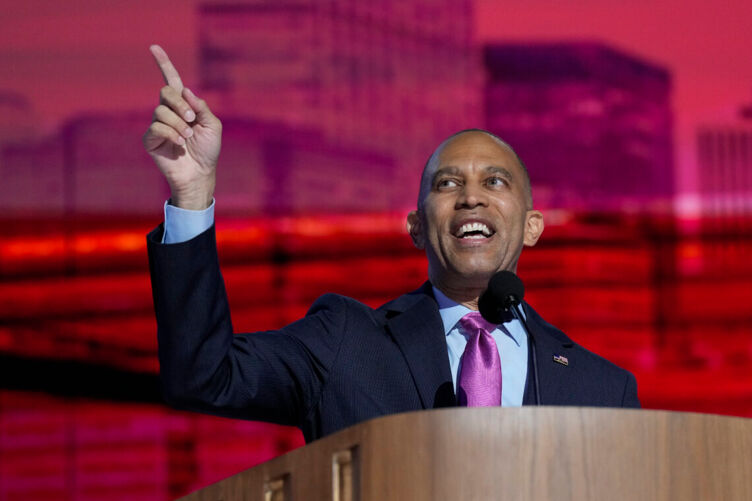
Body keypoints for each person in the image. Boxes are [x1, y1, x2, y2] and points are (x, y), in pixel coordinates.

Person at [144, 45, 639, 443]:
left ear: (533, 226)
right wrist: (192, 193)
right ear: (417, 227)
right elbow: (204, 377)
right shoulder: (345, 342)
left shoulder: (601, 388)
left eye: (494, 183)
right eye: (447, 185)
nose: (470, 198)